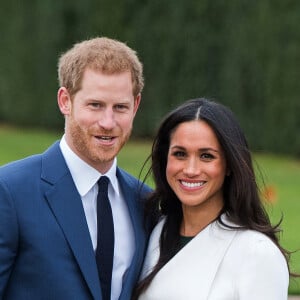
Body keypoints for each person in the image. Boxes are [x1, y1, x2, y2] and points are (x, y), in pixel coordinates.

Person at [0, 37, 151, 300]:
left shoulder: (145, 202)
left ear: (135, 106)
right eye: (95, 105)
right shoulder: (10, 191)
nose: (108, 122)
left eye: (120, 107)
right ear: (65, 101)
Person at [133, 98, 290, 300]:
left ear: (230, 165)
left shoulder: (257, 253)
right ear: (165, 160)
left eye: (206, 156)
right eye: (180, 154)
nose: (190, 170)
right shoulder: (155, 231)